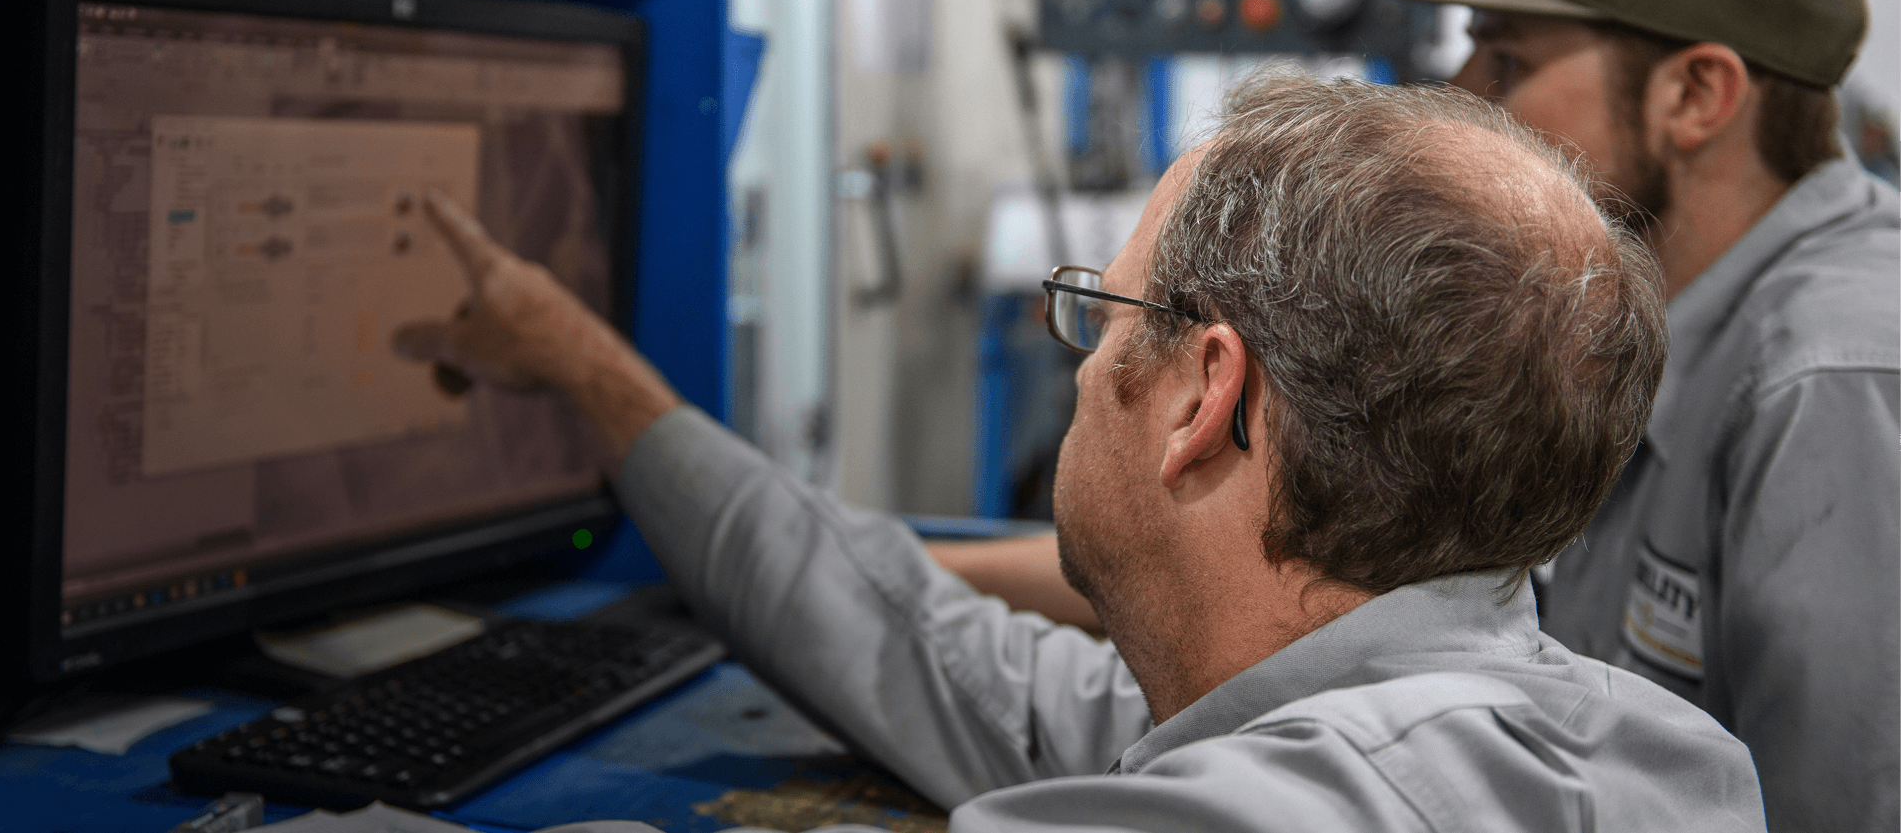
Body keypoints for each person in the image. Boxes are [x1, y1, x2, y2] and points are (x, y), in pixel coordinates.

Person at [395, 74, 1765, 830]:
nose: (1080, 358)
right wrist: (586, 370)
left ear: (1199, 397)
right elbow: (912, 644)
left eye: (1100, 314)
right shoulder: (1644, 748)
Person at [944, 0, 1901, 827]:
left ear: (1695, 93)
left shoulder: (1833, 381)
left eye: (1507, 55)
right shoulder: (1629, 330)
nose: (1463, 89)